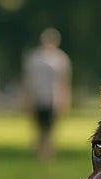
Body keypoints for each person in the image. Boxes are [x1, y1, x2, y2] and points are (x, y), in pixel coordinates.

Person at [23, 27, 72, 160]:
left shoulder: (61, 59)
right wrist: (27, 99)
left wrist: (64, 99)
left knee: (50, 129)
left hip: (53, 98)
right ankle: (41, 153)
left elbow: (64, 82)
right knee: (40, 128)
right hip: (38, 97)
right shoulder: (34, 58)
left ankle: (47, 154)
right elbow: (28, 81)